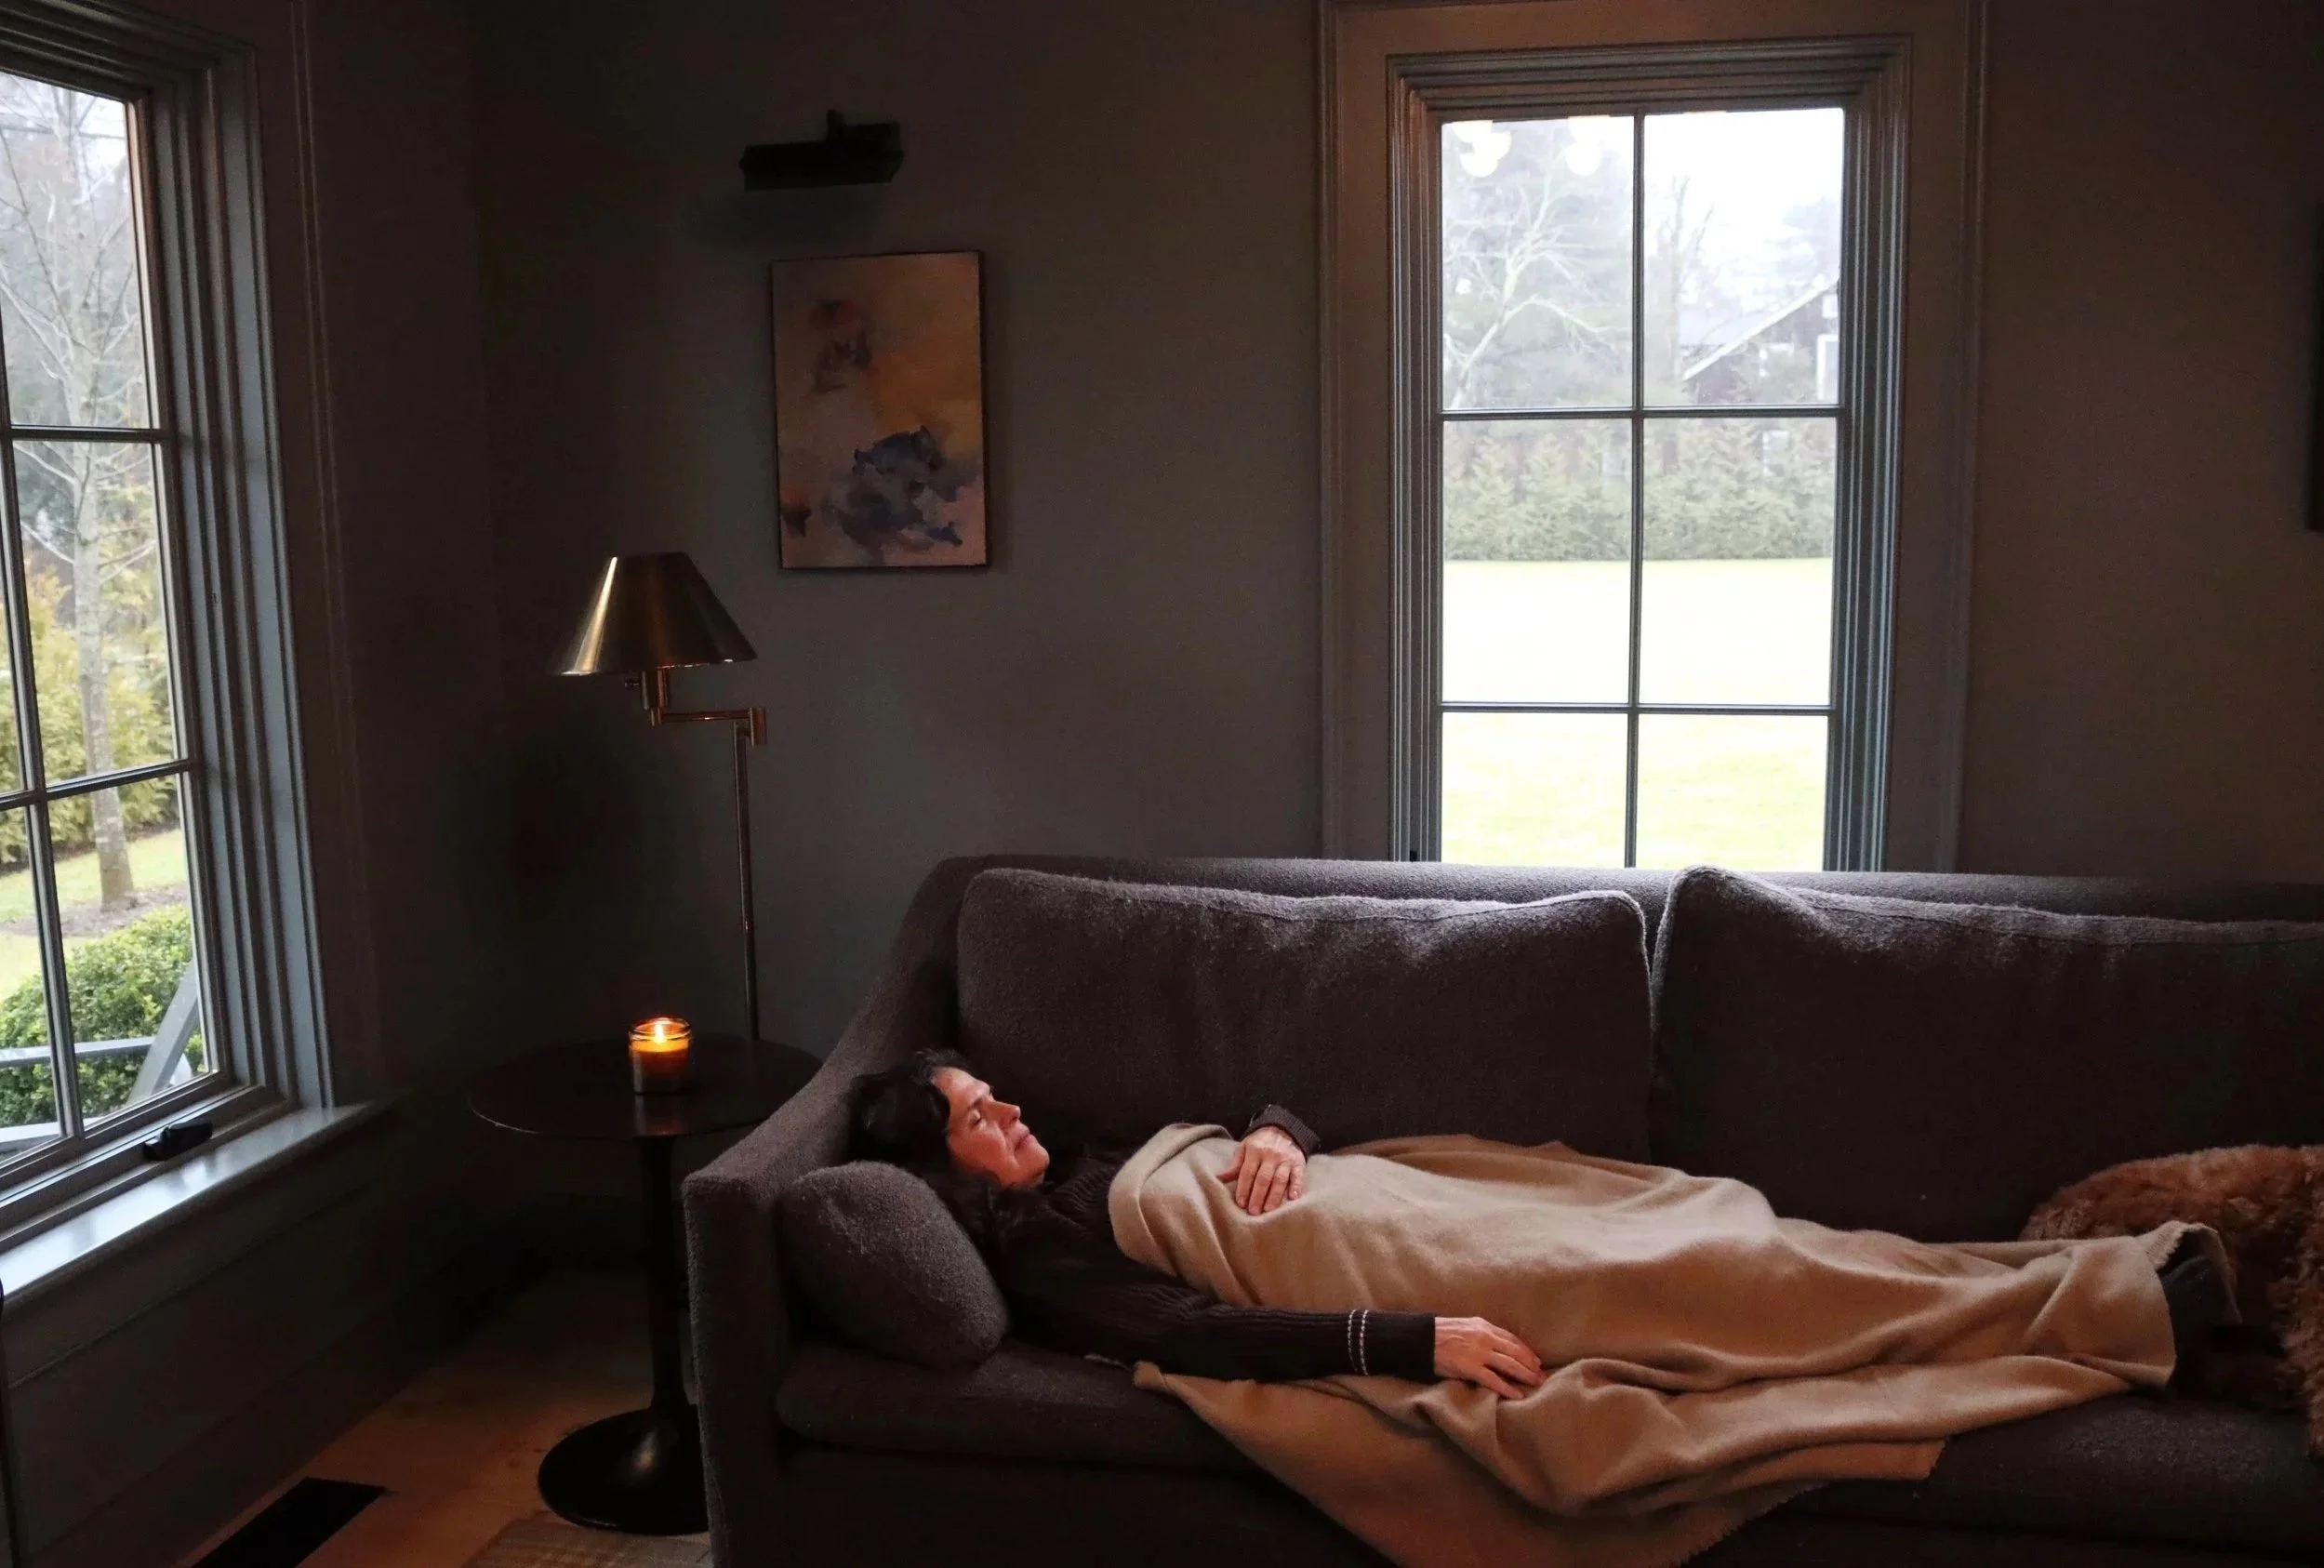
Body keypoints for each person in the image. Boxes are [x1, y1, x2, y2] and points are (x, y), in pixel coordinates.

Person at [848, 1050, 2224, 1399]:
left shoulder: (1085, 1152)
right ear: (941, 1169)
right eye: (974, 1114)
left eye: (989, 1089)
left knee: (1732, 1234)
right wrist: (1415, 1338)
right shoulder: (1041, 1252)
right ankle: (2112, 1302)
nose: (1007, 1106)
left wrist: (1275, 1131)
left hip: (1414, 1196)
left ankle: (2066, 1274)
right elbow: (1195, 1331)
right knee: (1717, 1270)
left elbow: (1254, 1113)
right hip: (1418, 1265)